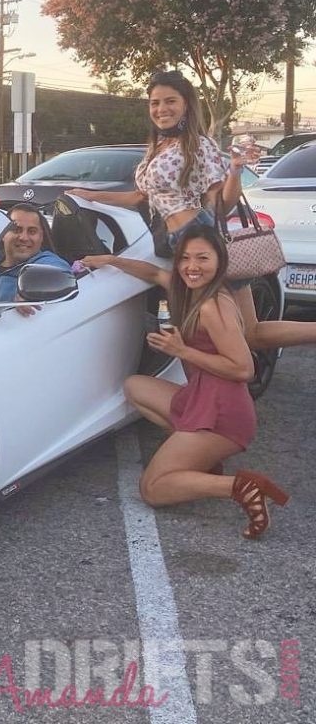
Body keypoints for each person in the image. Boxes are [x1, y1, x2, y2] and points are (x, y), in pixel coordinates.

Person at [68, 69, 316, 350]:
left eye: (170, 101)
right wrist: (90, 196)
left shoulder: (199, 145)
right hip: (177, 242)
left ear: (186, 105)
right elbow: (140, 196)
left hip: (199, 237)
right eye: (155, 102)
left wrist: (235, 171)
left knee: (244, 332)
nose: (161, 109)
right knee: (243, 331)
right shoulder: (158, 146)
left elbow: (223, 203)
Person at [82, 225, 289, 539]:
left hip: (223, 416)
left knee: (152, 489)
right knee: (135, 386)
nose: (192, 266)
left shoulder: (212, 305)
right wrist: (112, 260)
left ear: (219, 262)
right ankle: (202, 460)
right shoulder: (187, 290)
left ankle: (241, 486)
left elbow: (244, 369)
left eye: (203, 258)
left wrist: (182, 351)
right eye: (185, 258)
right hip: (201, 397)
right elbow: (154, 273)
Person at [0, 203, 70, 316]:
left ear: (41, 237)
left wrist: (30, 292)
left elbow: (60, 273)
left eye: (32, 231)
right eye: (17, 229)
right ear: (2, 233)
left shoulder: (45, 261)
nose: (24, 238)